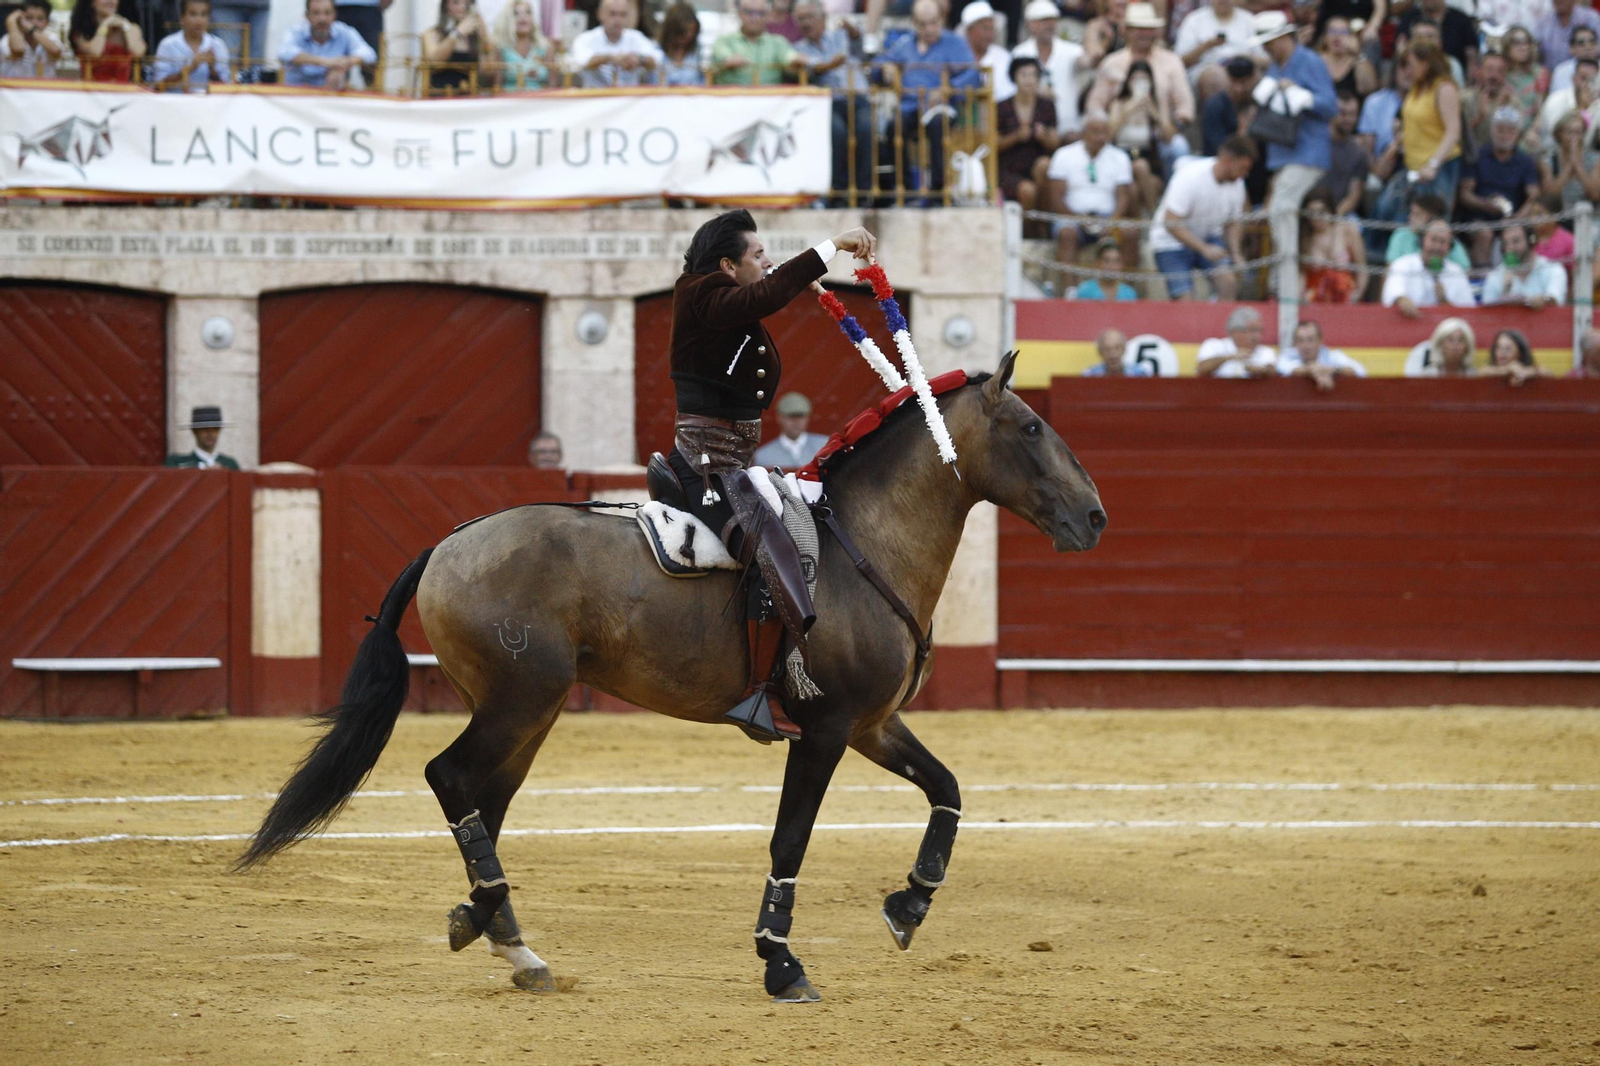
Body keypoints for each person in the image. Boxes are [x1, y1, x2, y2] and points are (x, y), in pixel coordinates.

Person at [665, 211, 876, 742]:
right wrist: (829, 246)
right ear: (727, 265)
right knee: (768, 549)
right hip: (706, 466)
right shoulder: (701, 292)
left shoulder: (716, 293)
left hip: (731, 464)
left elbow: (769, 286)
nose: (766, 261)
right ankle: (756, 693)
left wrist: (801, 269)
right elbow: (763, 296)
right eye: (757, 255)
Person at [1254, 10, 1337, 298]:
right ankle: (1285, 268)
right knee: (1280, 211)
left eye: (1270, 42)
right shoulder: (1274, 67)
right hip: (1283, 154)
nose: (1266, 48)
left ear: (1284, 37)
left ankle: (1286, 270)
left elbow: (1329, 106)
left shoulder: (1309, 62)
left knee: (1281, 206)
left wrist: (1302, 94)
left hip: (1308, 153)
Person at [876, 0, 981, 200]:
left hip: (940, 107)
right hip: (910, 106)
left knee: (937, 126)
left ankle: (938, 192)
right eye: (922, 24)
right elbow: (879, 62)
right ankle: (905, 190)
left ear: (941, 19)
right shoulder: (906, 43)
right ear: (914, 23)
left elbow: (974, 74)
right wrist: (885, 68)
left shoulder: (954, 43)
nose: (929, 29)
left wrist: (948, 88)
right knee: (893, 127)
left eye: (933, 22)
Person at [1087, 2, 1195, 173]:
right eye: (1138, 28)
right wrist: (1109, 125)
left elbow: (1185, 107)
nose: (1144, 33)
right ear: (1127, 31)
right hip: (1119, 131)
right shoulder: (1112, 63)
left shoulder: (1171, 61)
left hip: (1159, 133)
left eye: (1149, 28)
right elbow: (1095, 105)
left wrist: (1171, 126)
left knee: (1178, 147)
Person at [1148, 136, 1255, 300]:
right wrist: (1204, 249)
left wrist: (1236, 253)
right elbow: (1171, 222)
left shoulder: (1237, 183)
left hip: (1207, 238)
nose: (1245, 174)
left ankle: (1221, 324)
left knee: (1229, 284)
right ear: (1227, 160)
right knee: (1185, 299)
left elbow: (1233, 222)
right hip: (1169, 242)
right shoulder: (1190, 176)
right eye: (1242, 168)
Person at [794, 0, 872, 200]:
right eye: (801, 18)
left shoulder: (840, 36)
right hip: (828, 103)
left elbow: (860, 46)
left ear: (823, 18)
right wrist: (828, 65)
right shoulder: (798, 48)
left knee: (866, 127)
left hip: (858, 97)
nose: (806, 22)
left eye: (810, 16)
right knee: (836, 133)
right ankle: (836, 192)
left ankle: (865, 193)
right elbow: (808, 67)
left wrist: (853, 31)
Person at [1047, 110, 1135, 271]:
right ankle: (1070, 292)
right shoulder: (1063, 155)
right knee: (1067, 233)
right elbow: (1056, 198)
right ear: (1083, 133)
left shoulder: (1120, 157)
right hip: (1072, 218)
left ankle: (1127, 291)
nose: (1100, 137)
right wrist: (1078, 219)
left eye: (1104, 132)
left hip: (1107, 218)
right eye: (1095, 132)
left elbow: (1123, 197)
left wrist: (1112, 222)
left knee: (1130, 232)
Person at [1458, 107, 1543, 265]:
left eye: (1510, 130)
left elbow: (1534, 196)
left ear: (1518, 134)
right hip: (1478, 216)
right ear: (1492, 130)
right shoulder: (1478, 155)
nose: (1504, 135)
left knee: (1523, 231)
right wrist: (1485, 204)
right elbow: (1465, 194)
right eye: (1500, 129)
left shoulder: (1525, 161)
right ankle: (1481, 280)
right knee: (1484, 233)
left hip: (1512, 216)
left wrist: (1517, 219)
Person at [1395, 41, 1464, 211]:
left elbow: (1453, 131)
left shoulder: (1444, 88)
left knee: (1431, 217)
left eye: (1410, 65)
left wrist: (1433, 164)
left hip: (1438, 167)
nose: (1406, 71)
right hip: (1413, 166)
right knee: (1389, 211)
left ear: (1425, 64)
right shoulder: (1417, 88)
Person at [1010, 0, 1095, 138]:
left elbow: (1085, 62)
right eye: (1043, 21)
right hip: (1032, 128)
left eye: (1052, 20)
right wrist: (1036, 90)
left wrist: (1094, 55)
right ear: (1030, 24)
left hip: (1067, 127)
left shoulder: (1072, 50)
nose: (1049, 25)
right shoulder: (1019, 53)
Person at [1108, 58, 1179, 211]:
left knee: (1147, 181)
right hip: (1122, 155)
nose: (1140, 84)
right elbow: (1110, 135)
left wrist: (1155, 114)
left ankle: (1150, 218)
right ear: (1128, 81)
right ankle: (1151, 217)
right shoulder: (1118, 104)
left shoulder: (1156, 105)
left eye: (1144, 80)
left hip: (1147, 156)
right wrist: (1128, 109)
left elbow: (1169, 138)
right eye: (1136, 80)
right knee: (1137, 172)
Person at [996, 57, 1060, 212]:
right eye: (1023, 75)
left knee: (1045, 166)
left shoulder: (1046, 105)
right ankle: (1028, 232)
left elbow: (1055, 143)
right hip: (1009, 167)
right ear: (1014, 78)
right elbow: (993, 144)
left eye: (1033, 75)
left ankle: (1045, 226)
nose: (1029, 80)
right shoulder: (1001, 107)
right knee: (1028, 191)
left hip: (1037, 163)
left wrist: (1044, 137)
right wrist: (1015, 137)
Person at [1382, 218, 1474, 316]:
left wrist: (1444, 301)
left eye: (1442, 242)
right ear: (1422, 241)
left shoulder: (1457, 272)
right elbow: (1392, 294)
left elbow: (1467, 312)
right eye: (1433, 240)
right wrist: (1402, 300)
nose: (1437, 247)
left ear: (1449, 247)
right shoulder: (1402, 264)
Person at [1172, 0, 1258, 103]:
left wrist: (1242, 58)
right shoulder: (1194, 20)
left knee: (1254, 78)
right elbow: (1179, 62)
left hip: (1244, 68)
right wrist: (1205, 46)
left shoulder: (1249, 20)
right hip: (1206, 68)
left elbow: (1265, 60)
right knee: (1215, 77)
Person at [277, 0, 376, 88]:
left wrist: (344, 63)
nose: (322, 19)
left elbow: (369, 53)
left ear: (334, 15)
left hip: (331, 96)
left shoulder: (344, 31)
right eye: (316, 13)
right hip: (297, 95)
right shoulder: (295, 31)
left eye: (327, 13)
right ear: (307, 15)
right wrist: (326, 62)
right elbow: (284, 52)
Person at [569, 0, 661, 87]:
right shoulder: (585, 39)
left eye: (623, 14)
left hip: (629, 99)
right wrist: (611, 58)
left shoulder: (636, 37)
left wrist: (640, 60)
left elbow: (657, 60)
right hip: (594, 99)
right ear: (599, 14)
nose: (618, 20)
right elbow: (582, 62)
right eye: (612, 14)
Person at [1300, 186, 1366, 303]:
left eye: (1321, 211)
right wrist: (1301, 299)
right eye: (1312, 213)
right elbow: (1301, 275)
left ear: (1330, 210)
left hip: (1346, 298)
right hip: (1313, 301)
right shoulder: (1305, 237)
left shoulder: (1348, 230)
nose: (1317, 217)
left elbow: (1362, 269)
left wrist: (1357, 295)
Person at [712, 0, 799, 85]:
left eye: (761, 13)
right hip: (732, 97)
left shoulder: (778, 42)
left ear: (768, 15)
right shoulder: (724, 41)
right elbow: (723, 58)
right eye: (749, 12)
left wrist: (797, 60)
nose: (755, 17)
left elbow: (790, 57)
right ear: (739, 14)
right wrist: (729, 61)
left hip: (771, 97)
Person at [1481, 224, 1569, 308]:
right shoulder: (1494, 276)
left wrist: (1542, 300)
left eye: (1516, 241)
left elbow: (1555, 299)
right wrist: (1505, 290)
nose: (1510, 248)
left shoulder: (1553, 269)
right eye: (1506, 243)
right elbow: (1488, 311)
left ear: (1530, 240)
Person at [153, 0, 231, 89]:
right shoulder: (167, 45)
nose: (199, 21)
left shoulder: (218, 45)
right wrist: (190, 68)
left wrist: (212, 70)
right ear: (182, 19)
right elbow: (158, 85)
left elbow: (226, 88)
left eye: (203, 14)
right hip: (174, 101)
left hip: (209, 102)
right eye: (193, 14)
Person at [1384, 192, 1471, 270]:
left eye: (1417, 215)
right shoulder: (1401, 235)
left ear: (1434, 219)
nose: (1410, 218)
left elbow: (1465, 272)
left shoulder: (1448, 241)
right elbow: (1390, 272)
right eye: (1411, 213)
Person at [1277, 319, 1366, 390]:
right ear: (1295, 343)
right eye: (1300, 340)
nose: (1305, 345)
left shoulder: (1333, 356)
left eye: (1310, 340)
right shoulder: (1287, 355)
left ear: (1320, 341)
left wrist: (1334, 371)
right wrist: (1316, 372)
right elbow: (1282, 368)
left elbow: (1360, 370)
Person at [70, 0, 145, 82]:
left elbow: (138, 52)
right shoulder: (81, 32)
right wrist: (104, 25)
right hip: (91, 90)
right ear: (92, 2)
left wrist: (126, 26)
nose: (111, 1)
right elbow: (95, 52)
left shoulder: (131, 28)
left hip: (122, 91)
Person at [422, 0, 487, 94]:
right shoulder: (431, 34)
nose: (462, 8)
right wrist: (457, 33)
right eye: (456, 3)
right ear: (445, 6)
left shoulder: (473, 38)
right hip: (440, 96)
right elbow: (433, 61)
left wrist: (484, 35)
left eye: (467, 4)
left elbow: (487, 71)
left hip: (469, 97)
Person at [1540, 110, 1600, 212]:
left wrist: (1577, 165)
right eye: (1569, 132)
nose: (1574, 137)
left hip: (1588, 214)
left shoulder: (1595, 159)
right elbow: (1550, 196)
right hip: (1558, 214)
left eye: (1578, 132)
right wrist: (1569, 166)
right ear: (1559, 134)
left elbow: (1595, 194)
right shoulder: (1547, 159)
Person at [1397, 0, 1477, 76]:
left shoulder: (1461, 20)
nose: (1425, 41)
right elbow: (1400, 49)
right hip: (1413, 68)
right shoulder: (1408, 18)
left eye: (1430, 37)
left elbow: (1471, 56)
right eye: (1419, 36)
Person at [1196, 304, 1276, 377]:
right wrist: (1228, 357)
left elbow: (1273, 371)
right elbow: (1202, 369)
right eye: (1253, 331)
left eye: (1260, 331)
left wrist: (1262, 370)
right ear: (1235, 332)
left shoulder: (1265, 351)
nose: (1257, 336)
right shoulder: (1214, 345)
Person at [1537, 57, 1600, 149]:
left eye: (1592, 79)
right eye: (1583, 78)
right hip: (1555, 153)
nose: (1587, 84)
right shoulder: (1556, 100)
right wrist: (1582, 107)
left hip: (1590, 156)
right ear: (1574, 79)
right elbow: (1558, 136)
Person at [1324, 91, 1369, 217]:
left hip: (1340, 212)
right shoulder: (1315, 143)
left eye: (1353, 114)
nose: (1348, 119)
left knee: (1355, 225)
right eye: (1343, 113)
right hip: (1310, 208)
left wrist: (1334, 216)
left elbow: (1354, 196)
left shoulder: (1358, 152)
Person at [753, 392, 829, 468]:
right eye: (791, 417)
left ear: (807, 418)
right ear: (779, 418)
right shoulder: (764, 456)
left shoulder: (826, 447)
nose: (796, 422)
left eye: (800, 417)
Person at [1202, 56, 1258, 156]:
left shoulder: (1259, 103)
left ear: (1253, 79)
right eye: (1234, 82)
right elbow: (1217, 148)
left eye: (1243, 82)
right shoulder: (1215, 105)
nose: (1238, 89)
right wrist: (1242, 134)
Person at [961, 0, 1014, 102]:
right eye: (985, 28)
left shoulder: (1004, 57)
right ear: (969, 31)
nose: (990, 35)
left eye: (992, 29)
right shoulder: (955, 56)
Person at [493, 0, 550, 89]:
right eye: (516, 13)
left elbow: (553, 85)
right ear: (509, 19)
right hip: (509, 99)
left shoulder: (544, 47)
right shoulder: (501, 48)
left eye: (527, 12)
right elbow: (497, 85)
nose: (523, 17)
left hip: (539, 99)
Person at [1317, 17, 1376, 101]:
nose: (1337, 36)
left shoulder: (1358, 60)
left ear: (1351, 37)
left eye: (1343, 32)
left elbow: (1368, 89)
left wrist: (1358, 53)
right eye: (1332, 31)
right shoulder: (1316, 60)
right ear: (1325, 37)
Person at [165, 406, 241, 470]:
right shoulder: (176, 463)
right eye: (205, 429)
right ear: (195, 431)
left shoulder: (230, 464)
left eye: (215, 429)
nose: (210, 434)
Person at [4, 0, 63, 78]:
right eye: (29, 18)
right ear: (20, 20)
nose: (34, 22)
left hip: (46, 88)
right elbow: (18, 50)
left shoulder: (51, 38)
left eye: (40, 19)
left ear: (47, 23)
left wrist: (31, 29)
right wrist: (11, 22)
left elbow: (55, 51)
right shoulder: (8, 39)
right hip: (14, 89)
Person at [1536, 0, 1600, 71]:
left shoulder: (1590, 18)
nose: (1558, 1)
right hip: (1552, 76)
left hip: (1589, 73)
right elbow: (1536, 54)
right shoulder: (1544, 22)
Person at [1407, 316, 1476, 376]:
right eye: (1450, 340)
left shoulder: (1473, 376)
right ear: (1440, 344)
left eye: (1461, 340)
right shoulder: (1428, 375)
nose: (1455, 345)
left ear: (1467, 346)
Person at [656, 1, 703, 85]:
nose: (689, 35)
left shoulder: (697, 51)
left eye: (692, 30)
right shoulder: (655, 52)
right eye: (683, 31)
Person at [1074, 240, 1139, 299]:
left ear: (1121, 265)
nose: (1111, 266)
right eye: (1106, 261)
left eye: (1116, 261)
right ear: (1097, 263)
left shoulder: (1129, 294)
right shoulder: (1085, 291)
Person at [1482, 328, 1546, 385]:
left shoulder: (1525, 370)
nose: (1502, 352)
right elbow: (1482, 372)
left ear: (1519, 353)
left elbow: (1548, 373)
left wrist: (1527, 372)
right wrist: (1507, 369)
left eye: (1508, 348)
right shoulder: (1488, 370)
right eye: (1498, 347)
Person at [1551, 25, 1600, 94]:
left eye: (1592, 42)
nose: (1588, 47)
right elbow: (1558, 98)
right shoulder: (1561, 71)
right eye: (1581, 43)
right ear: (1572, 49)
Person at [1083, 327, 1153, 375]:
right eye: (1107, 349)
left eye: (1117, 348)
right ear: (1100, 352)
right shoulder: (1090, 375)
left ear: (1124, 349)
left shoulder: (1140, 374)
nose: (1113, 354)